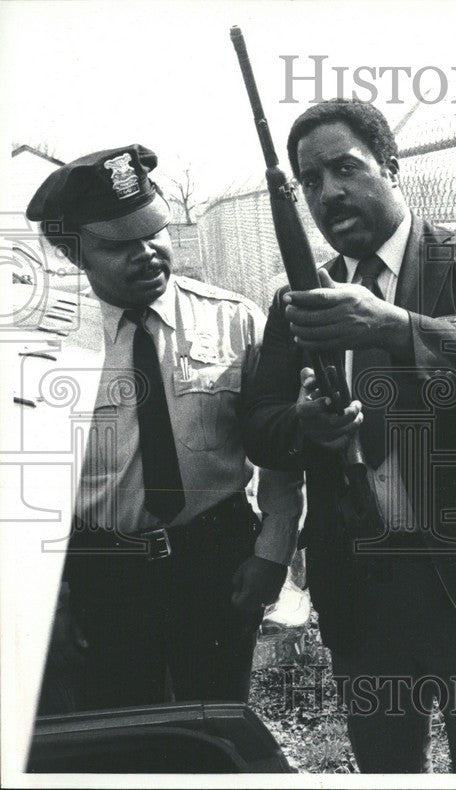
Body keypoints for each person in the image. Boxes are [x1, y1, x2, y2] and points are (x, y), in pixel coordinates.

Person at [243, 99, 456, 773]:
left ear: (391, 167)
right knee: (387, 764)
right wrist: (308, 427)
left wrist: (391, 326)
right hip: (363, 583)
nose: (329, 191)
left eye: (346, 168)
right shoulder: (300, 300)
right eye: (311, 180)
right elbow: (261, 427)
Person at [26, 145, 301, 711]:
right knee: (128, 729)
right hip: (104, 570)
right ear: (74, 253)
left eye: (154, 231)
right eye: (119, 244)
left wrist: (273, 552)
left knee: (216, 718)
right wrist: (51, 603)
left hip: (218, 557)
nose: (147, 253)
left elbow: (278, 449)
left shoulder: (235, 321)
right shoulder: (49, 348)